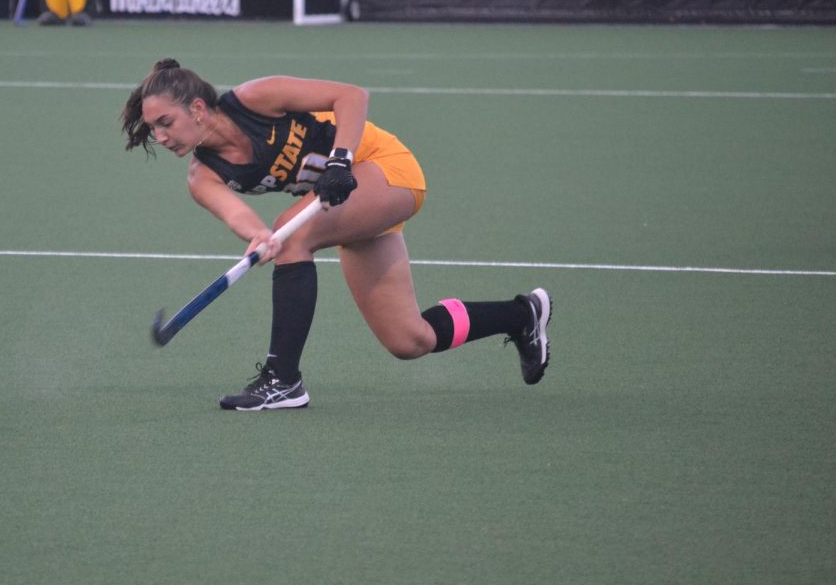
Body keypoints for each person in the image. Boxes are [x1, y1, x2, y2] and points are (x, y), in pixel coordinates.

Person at [121, 59, 553, 411]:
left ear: (197, 108)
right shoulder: (203, 177)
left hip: (384, 167)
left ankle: (283, 379)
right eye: (154, 129)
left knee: (293, 236)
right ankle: (523, 316)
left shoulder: (256, 97)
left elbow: (351, 96)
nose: (160, 137)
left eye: (166, 123)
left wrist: (340, 162)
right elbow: (243, 221)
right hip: (345, 201)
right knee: (409, 339)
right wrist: (259, 237)